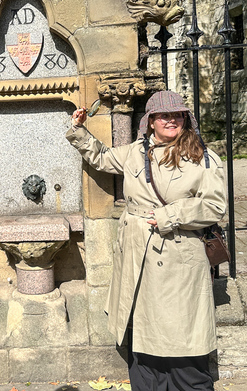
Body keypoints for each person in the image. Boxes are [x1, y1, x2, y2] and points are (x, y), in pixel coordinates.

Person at [67, 91, 226, 391]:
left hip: (179, 255)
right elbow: (101, 157)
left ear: (185, 119)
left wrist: (170, 216)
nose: (171, 120)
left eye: (177, 115)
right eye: (164, 115)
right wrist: (79, 130)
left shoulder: (202, 157)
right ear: (150, 121)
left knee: (181, 338)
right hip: (137, 253)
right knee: (142, 335)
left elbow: (215, 205)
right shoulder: (135, 152)